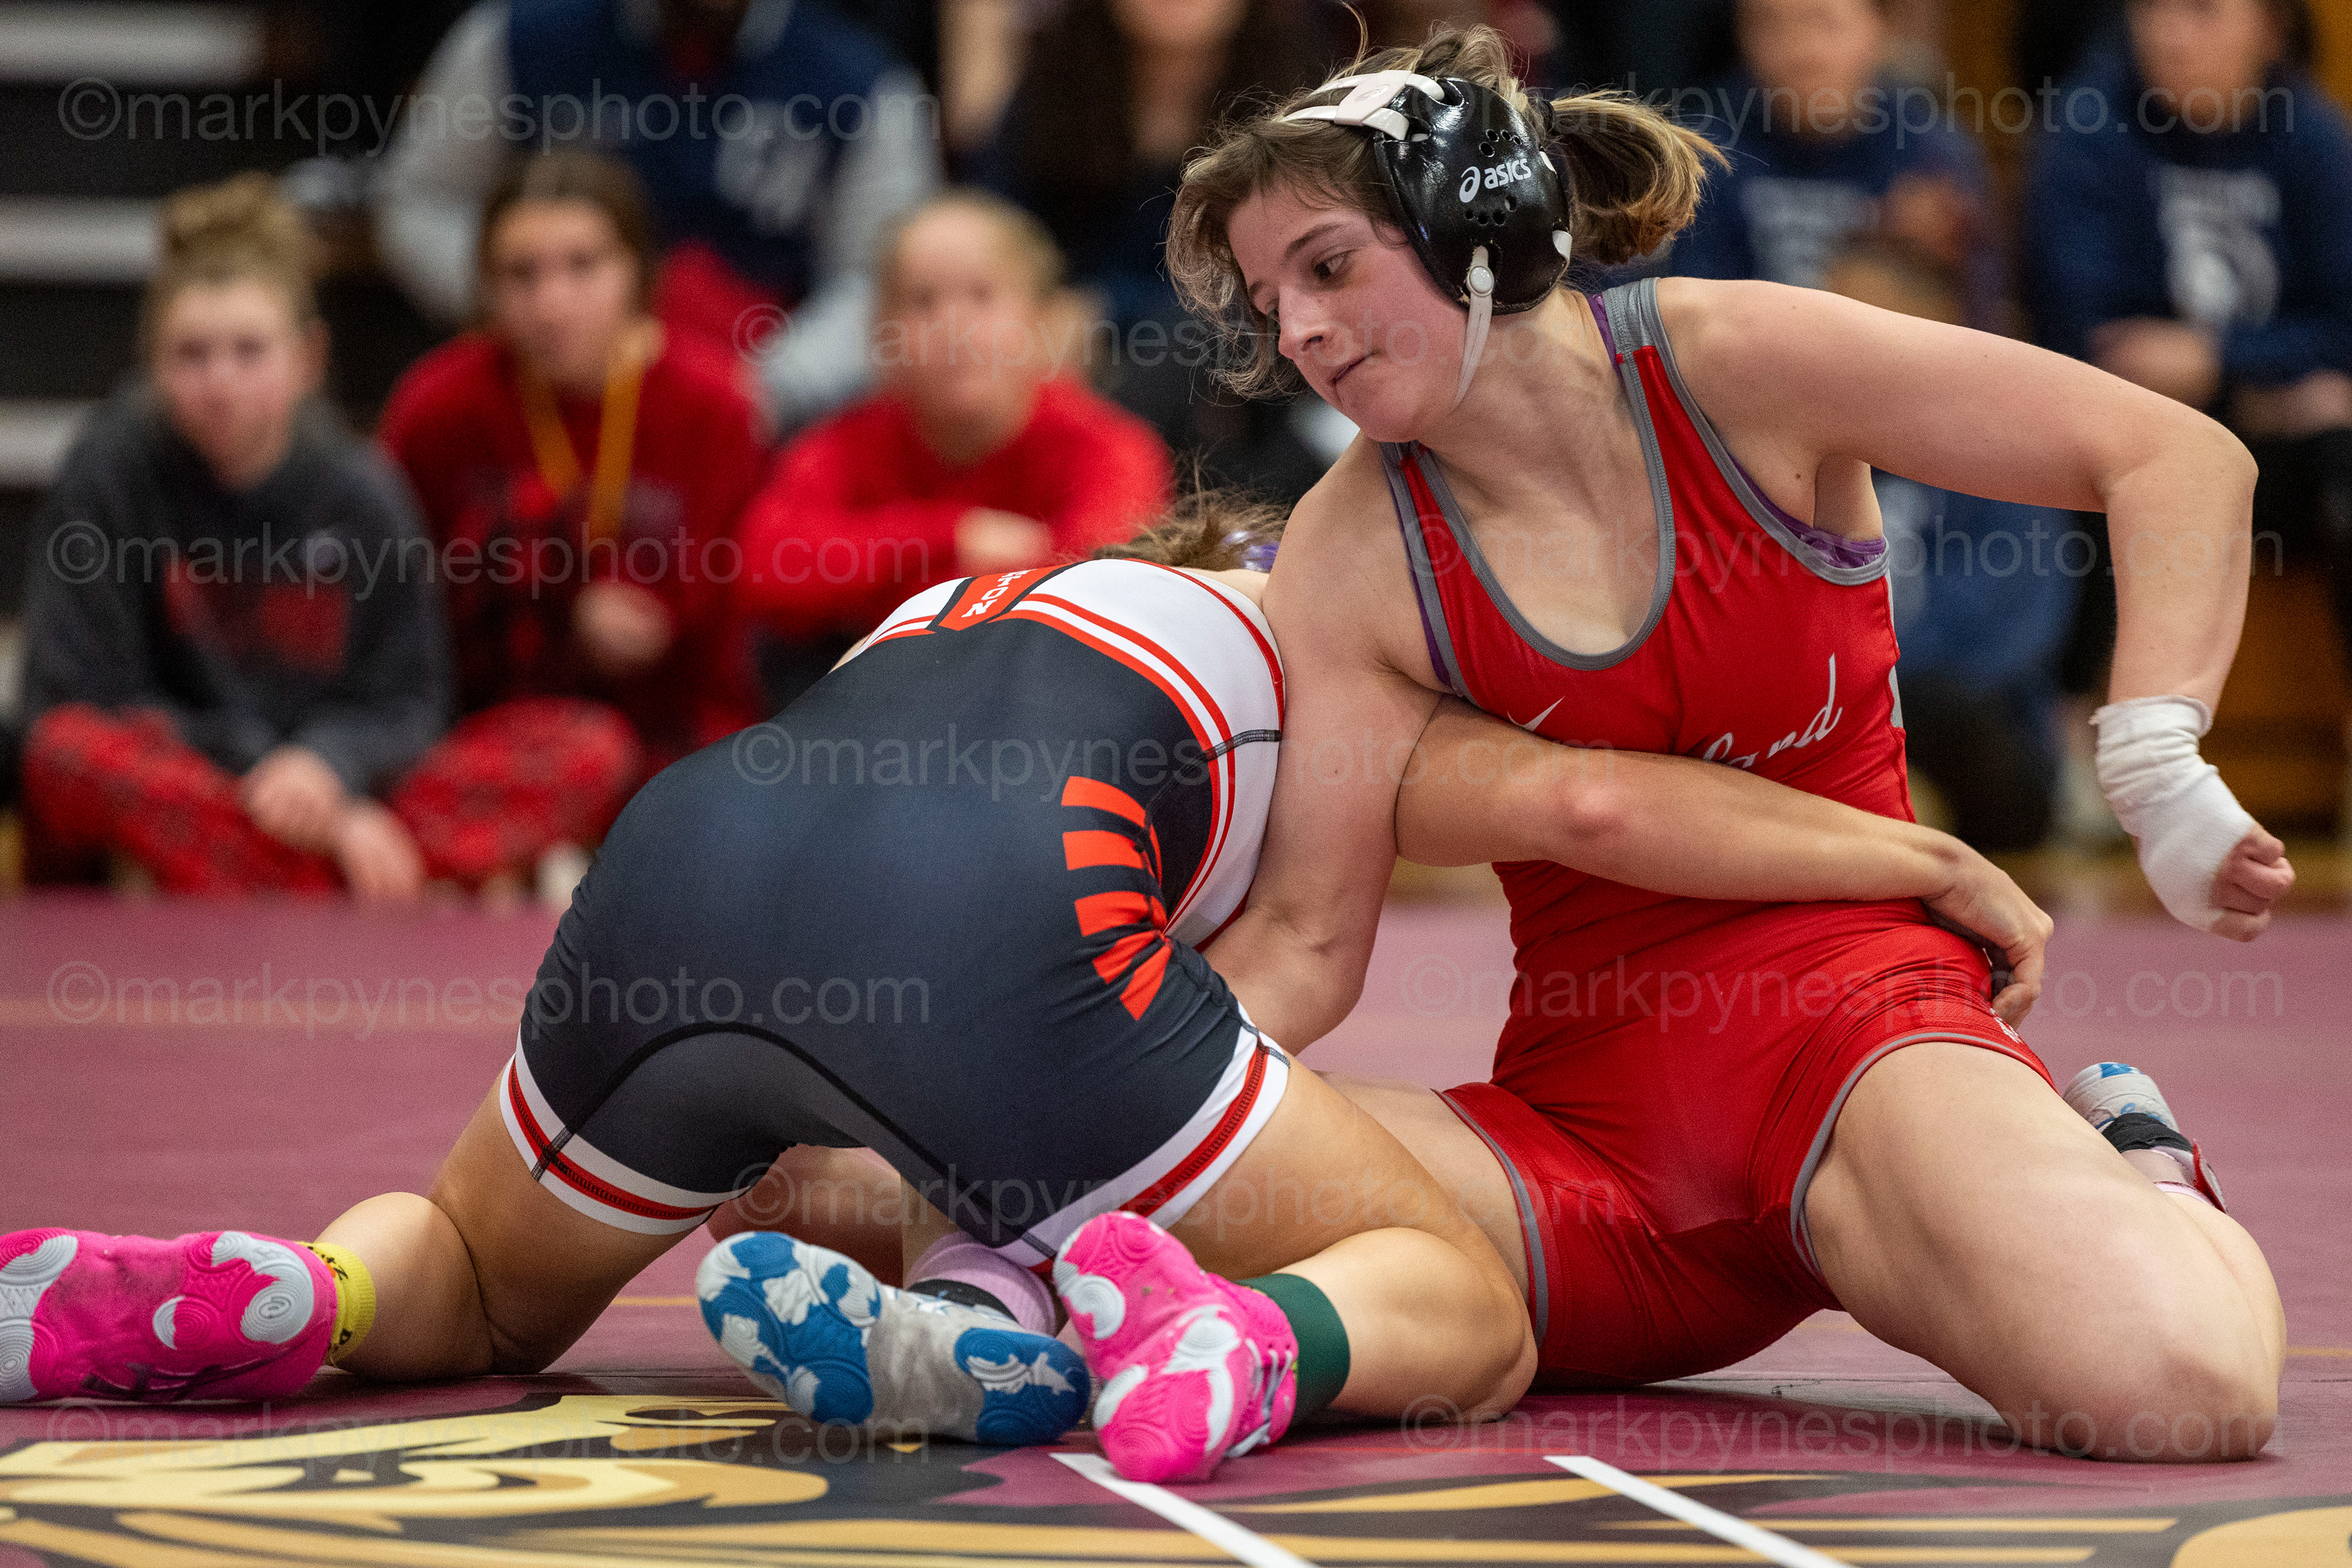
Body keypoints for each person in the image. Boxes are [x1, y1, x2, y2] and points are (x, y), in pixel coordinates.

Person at [0, 505, 2054, 1483]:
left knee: (468, 1266)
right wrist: (1928, 859)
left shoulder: (977, 596)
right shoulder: (1320, 653)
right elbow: (1602, 797)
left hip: (689, 857)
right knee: (1476, 1303)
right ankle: (1235, 1346)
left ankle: (294, 1297)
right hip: (1003, 917)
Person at [1158, 24, 2289, 1463]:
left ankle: (2146, 1166)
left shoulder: (1737, 358)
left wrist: (2152, 761)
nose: (1298, 332)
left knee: (2177, 1389)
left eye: (1326, 266)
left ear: (1475, 216)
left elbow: (2177, 456)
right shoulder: (1348, 549)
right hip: (1580, 1136)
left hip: (1859, 1032)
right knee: (1102, 1177)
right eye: (1269, 301)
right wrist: (1091, 1067)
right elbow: (1309, 942)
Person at [18, 174, 633, 900]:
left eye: (249, 352)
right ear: (153, 363)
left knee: (594, 748)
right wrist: (298, 796)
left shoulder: (361, 491)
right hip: (207, 776)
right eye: (191, 355)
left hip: (340, 782)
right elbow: (80, 690)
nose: (220, 383)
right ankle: (341, 874)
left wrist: (329, 767)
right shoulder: (112, 471)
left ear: (307, 359)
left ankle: (268, 872)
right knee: (66, 753)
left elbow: (411, 700)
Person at [372, 0, 936, 431]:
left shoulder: (865, 85)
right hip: (534, 398)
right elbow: (421, 203)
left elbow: (881, 278)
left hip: (761, 412)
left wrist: (765, 388)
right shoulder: (515, 42)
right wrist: (531, 306)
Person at [379, 151, 766, 774]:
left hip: (681, 734)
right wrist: (560, 613)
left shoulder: (716, 406)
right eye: (521, 274)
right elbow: (396, 596)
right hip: (488, 733)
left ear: (638, 270)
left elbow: (730, 598)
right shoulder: (436, 409)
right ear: (485, 286)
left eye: (583, 267)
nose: (552, 302)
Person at [733, 190, 1172, 706]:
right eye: (922, 301)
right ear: (880, 333)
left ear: (1042, 322)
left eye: (982, 296)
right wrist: (955, 536)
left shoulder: (1110, 447)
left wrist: (874, 583)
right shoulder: (842, 443)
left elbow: (1103, 586)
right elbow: (767, 566)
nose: (953, 326)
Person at [2024, 0, 2351, 683]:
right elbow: (2086, 338)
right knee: (2073, 458)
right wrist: (2263, 380)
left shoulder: (2316, 135)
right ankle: (2085, 747)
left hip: (2281, 445)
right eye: (2151, 9)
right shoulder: (2091, 122)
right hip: (2137, 434)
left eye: (2202, 11)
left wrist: (2217, 362)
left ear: (2271, 26)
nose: (2169, 34)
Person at [974, 0, 1335, 500]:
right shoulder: (1054, 83)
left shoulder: (1300, 95)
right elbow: (993, 229)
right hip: (1060, 342)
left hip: (1241, 348)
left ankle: (1103, 492)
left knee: (1195, 331)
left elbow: (1275, 271)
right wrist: (1033, 310)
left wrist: (1103, 309)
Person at [1826, 237, 2079, 851]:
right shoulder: (1794, 451)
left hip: (1962, 728)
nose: (1824, 347)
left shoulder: (2004, 455)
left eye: (1855, 325)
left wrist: (1868, 686)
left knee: (1948, 712)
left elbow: (2010, 624)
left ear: (1935, 330)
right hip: (1829, 717)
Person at [1664, 0, 2005, 332]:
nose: (1802, 53)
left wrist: (1933, 265)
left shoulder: (1931, 154)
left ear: (1881, 28)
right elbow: (1682, 309)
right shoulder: (1704, 146)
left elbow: (1982, 318)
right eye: (1770, 25)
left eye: (1823, 22)